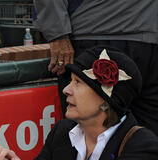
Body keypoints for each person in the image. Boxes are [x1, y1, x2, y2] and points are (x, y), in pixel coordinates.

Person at [0, 47, 158, 160]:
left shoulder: (141, 146)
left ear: (106, 100)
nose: (66, 90)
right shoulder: (63, 132)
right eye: (70, 81)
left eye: (78, 83)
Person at [33, 0, 158, 135]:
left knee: (148, 137)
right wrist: (57, 35)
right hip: (95, 33)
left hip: (147, 38)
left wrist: (57, 33)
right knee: (85, 137)